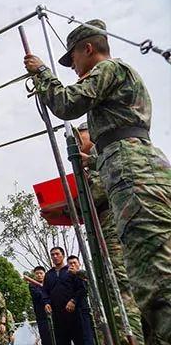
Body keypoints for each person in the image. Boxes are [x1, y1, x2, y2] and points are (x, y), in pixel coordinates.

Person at [25, 19, 171, 343]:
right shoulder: (121, 80)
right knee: (149, 278)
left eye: (73, 58)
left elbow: (66, 103)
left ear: (87, 48)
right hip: (140, 169)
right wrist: (95, 159)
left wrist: (41, 72)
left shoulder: (108, 69)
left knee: (156, 282)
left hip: (133, 176)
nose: (74, 67)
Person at [73, 123, 145, 340]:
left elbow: (106, 189)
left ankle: (130, 334)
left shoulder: (102, 154)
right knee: (107, 279)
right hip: (100, 227)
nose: (76, 140)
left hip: (113, 222)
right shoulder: (87, 164)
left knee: (119, 280)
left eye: (79, 135)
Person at [23, 267, 55, 345]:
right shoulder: (32, 286)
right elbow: (39, 296)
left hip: (55, 315)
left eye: (41, 273)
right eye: (37, 274)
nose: (39, 275)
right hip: (42, 317)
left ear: (45, 274)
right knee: (46, 339)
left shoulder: (50, 284)